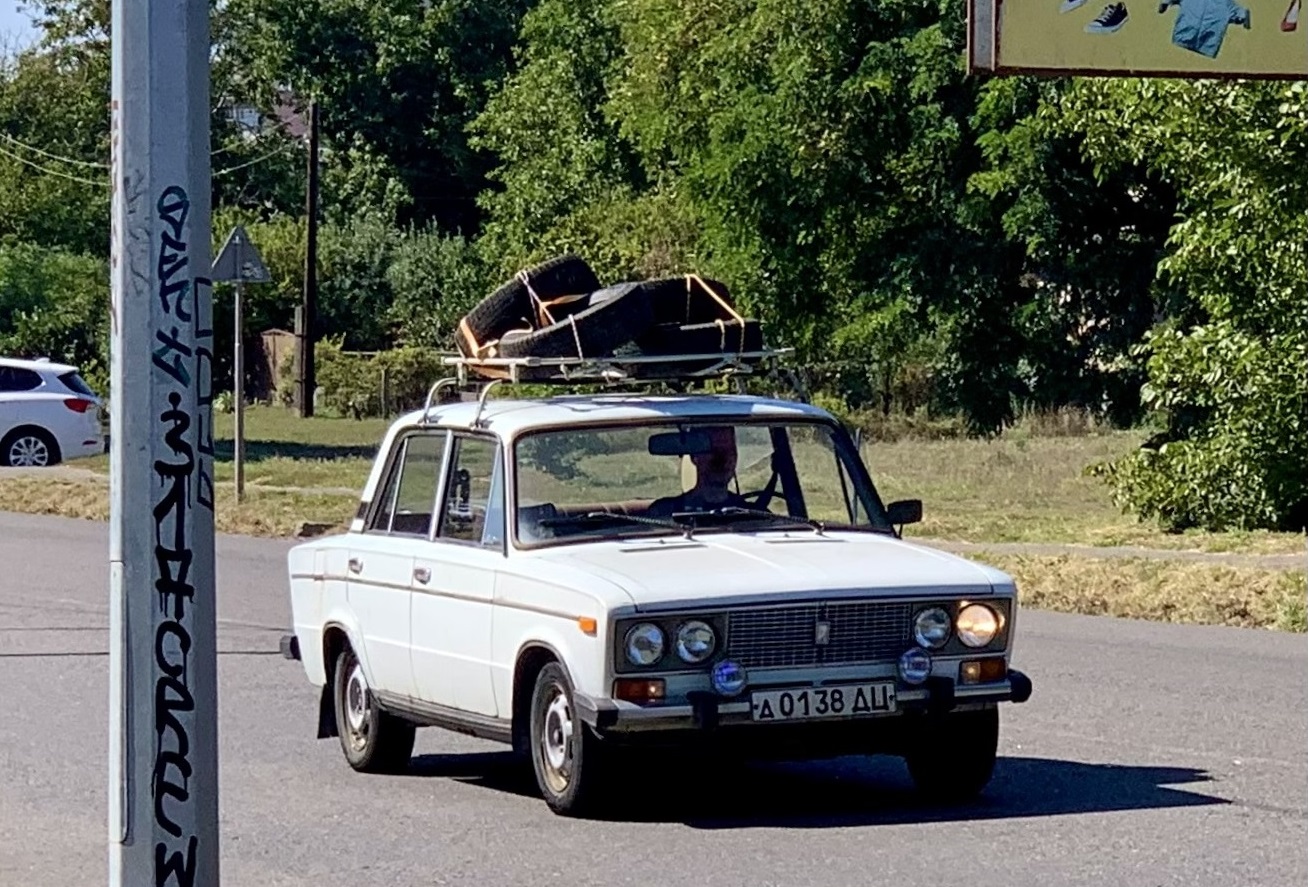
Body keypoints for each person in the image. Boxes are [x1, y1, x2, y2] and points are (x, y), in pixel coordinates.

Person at [646, 425, 753, 517]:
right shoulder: (664, 514)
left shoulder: (755, 516)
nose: (721, 459)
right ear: (694, 456)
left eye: (728, 450)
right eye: (712, 450)